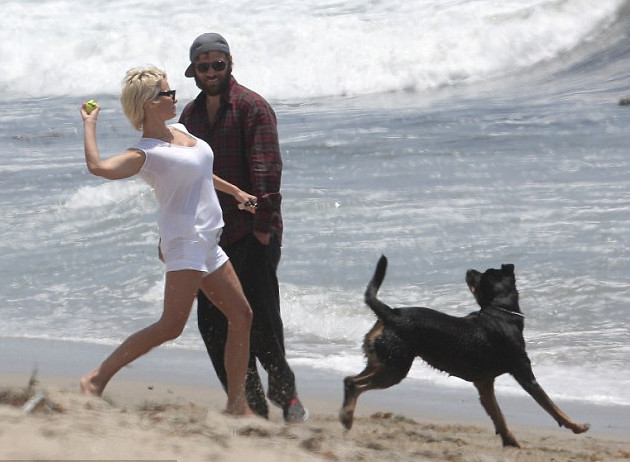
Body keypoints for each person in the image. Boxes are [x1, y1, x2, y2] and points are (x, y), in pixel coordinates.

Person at [79, 66, 258, 416]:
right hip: (185, 242)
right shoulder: (145, 154)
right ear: (149, 103)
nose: (174, 97)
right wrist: (90, 123)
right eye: (167, 93)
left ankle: (237, 404)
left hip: (208, 240)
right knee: (170, 325)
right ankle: (96, 379)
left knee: (242, 316)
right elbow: (98, 167)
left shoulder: (180, 131)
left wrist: (235, 191)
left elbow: (200, 171)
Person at [179, 33, 308, 423]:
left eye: (218, 64)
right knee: (213, 325)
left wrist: (263, 231)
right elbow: (184, 178)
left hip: (251, 234)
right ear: (194, 71)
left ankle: (287, 399)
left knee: (261, 321)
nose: (211, 72)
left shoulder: (253, 107)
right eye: (204, 66)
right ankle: (250, 406)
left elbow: (268, 170)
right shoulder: (189, 117)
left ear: (230, 64)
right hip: (209, 237)